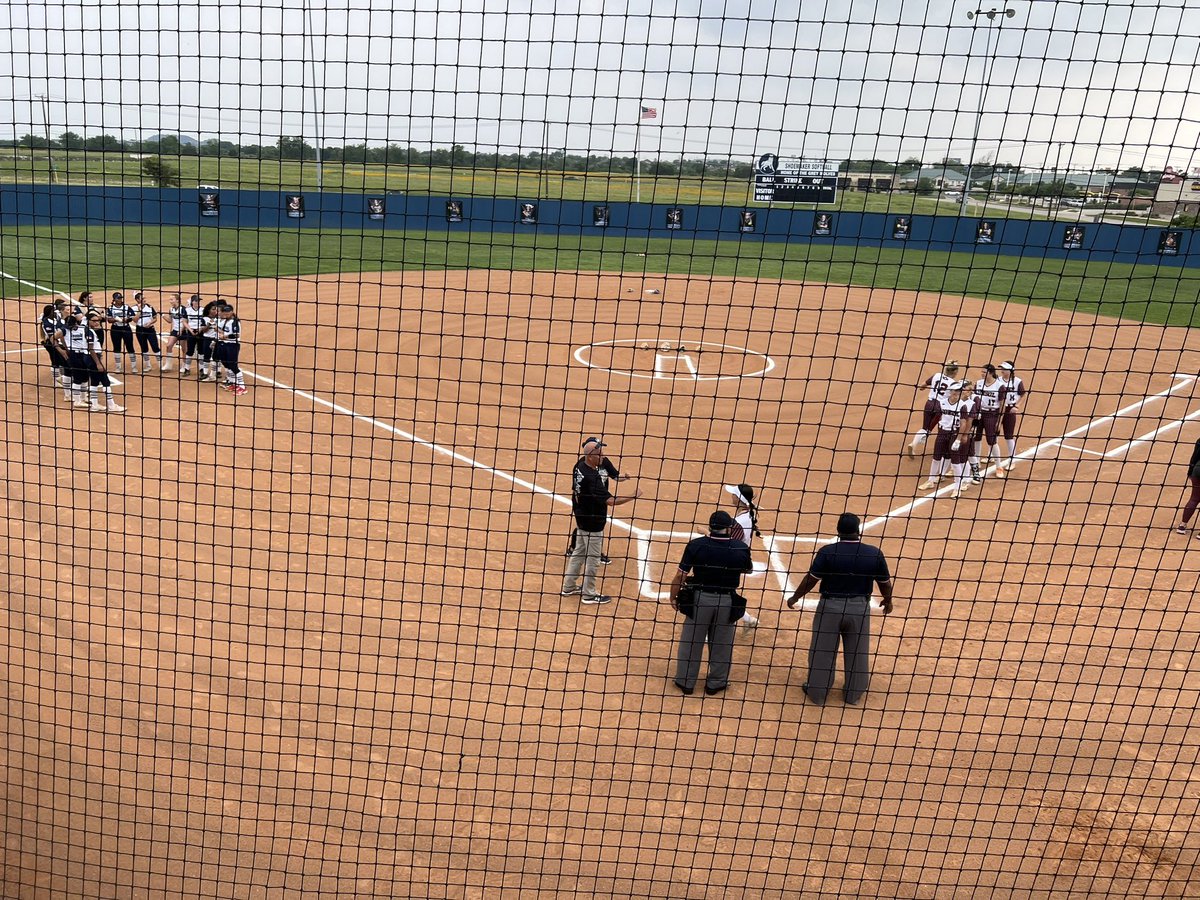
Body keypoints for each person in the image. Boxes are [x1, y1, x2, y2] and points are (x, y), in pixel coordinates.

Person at [785, 513, 894, 706]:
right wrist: (888, 600)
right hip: (859, 609)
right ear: (858, 530)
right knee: (858, 651)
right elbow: (884, 582)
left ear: (838, 531)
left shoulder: (828, 552)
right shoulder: (873, 553)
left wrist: (795, 597)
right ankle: (853, 694)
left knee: (822, 650)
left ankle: (818, 693)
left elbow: (811, 579)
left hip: (830, 608)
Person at [667, 510, 753, 696]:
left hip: (700, 600)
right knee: (722, 644)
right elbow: (747, 569)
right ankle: (716, 683)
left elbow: (681, 575)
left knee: (691, 642)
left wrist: (673, 596)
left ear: (710, 527)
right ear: (729, 527)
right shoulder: (740, 548)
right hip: (727, 602)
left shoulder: (696, 545)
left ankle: (686, 681)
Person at [560, 437, 642, 605]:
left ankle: (568, 586)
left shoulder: (580, 465)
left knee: (578, 553)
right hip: (593, 522)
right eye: (599, 454)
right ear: (590, 456)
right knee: (593, 559)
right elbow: (611, 501)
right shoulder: (592, 478)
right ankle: (589, 594)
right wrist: (633, 495)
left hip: (581, 518)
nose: (603, 457)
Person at [565, 436, 632, 564]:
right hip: (584, 502)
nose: (602, 453)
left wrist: (625, 477)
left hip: (599, 500)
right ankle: (576, 549)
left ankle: (592, 551)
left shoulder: (604, 461)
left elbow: (616, 476)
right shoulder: (581, 466)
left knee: (596, 526)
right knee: (583, 525)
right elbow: (576, 488)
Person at [54, 312, 124, 412]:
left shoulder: (85, 330)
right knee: (104, 381)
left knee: (93, 381)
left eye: (97, 321)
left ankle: (93, 403)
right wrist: (98, 363)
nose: (97, 323)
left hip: (86, 357)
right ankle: (111, 405)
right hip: (90, 358)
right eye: (94, 321)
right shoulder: (87, 332)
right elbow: (91, 349)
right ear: (88, 322)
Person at [919, 380, 976, 498]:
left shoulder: (962, 405)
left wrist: (959, 439)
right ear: (950, 392)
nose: (957, 395)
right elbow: (937, 417)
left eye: (959, 392)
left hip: (954, 434)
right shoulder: (942, 403)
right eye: (955, 392)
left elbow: (963, 423)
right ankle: (930, 481)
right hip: (942, 432)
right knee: (936, 458)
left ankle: (957, 487)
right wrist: (928, 431)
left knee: (955, 461)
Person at [724, 483, 765, 634]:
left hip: (732, 561)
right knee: (727, 593)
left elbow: (725, 542)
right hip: (740, 558)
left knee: (722, 594)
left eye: (734, 494)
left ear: (738, 498)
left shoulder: (740, 522)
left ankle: (714, 630)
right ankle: (749, 620)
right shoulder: (748, 514)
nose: (732, 496)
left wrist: (706, 533)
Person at [907, 360, 961, 457]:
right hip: (939, 407)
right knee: (932, 429)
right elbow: (954, 396)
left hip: (929, 403)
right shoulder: (954, 383)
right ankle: (919, 442)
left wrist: (925, 388)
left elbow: (922, 386)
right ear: (955, 372)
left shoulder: (937, 375)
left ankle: (915, 443)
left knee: (925, 427)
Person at [971, 364, 1008, 481]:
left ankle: (998, 466)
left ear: (991, 373)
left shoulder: (999, 386)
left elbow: (1002, 405)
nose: (982, 374)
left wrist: (999, 421)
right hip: (979, 413)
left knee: (991, 440)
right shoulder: (979, 383)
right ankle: (976, 462)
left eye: (984, 372)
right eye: (981, 372)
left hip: (992, 414)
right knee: (976, 437)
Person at [997, 361, 1027, 473]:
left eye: (1004, 368)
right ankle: (992, 455)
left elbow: (1023, 394)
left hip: (1010, 410)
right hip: (999, 409)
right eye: (1002, 368)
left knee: (1008, 436)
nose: (1002, 370)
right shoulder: (998, 380)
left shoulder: (1017, 381)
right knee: (994, 432)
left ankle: (1012, 460)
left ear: (1010, 370)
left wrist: (1017, 406)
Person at [213, 303, 247, 395]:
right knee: (226, 364)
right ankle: (233, 383)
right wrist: (216, 329)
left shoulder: (235, 321)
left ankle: (242, 386)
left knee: (233, 366)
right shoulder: (225, 321)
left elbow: (236, 335)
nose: (226, 314)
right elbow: (224, 331)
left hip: (233, 345)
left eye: (228, 312)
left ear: (232, 312)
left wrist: (225, 337)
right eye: (225, 312)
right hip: (224, 345)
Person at [38, 300, 68, 388]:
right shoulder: (46, 323)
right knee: (57, 361)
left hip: (57, 342)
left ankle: (58, 379)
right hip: (51, 344)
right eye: (53, 312)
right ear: (49, 313)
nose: (55, 313)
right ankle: (57, 380)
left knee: (56, 361)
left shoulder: (54, 319)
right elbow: (52, 338)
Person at [132, 291, 164, 373]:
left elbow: (155, 318)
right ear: (137, 300)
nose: (144, 299)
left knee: (155, 347)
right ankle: (148, 365)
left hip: (150, 329)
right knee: (144, 348)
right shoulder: (134, 308)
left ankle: (161, 366)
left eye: (144, 298)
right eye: (142, 298)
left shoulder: (149, 307)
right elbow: (135, 320)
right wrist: (139, 310)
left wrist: (150, 323)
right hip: (140, 330)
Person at [107, 291, 138, 374]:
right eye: (118, 298)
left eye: (120, 298)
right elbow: (109, 320)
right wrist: (116, 319)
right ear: (114, 299)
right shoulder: (110, 308)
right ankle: (118, 367)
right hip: (115, 329)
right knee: (116, 347)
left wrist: (126, 320)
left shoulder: (126, 307)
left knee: (130, 346)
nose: (120, 300)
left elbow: (132, 317)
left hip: (126, 328)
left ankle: (134, 367)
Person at [1177, 437, 1200, 535]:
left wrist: (1190, 472)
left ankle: (1182, 526)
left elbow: (1195, 456)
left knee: (1194, 499)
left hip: (1197, 470)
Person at [160, 294, 183, 371]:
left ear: (177, 300)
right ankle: (168, 365)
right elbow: (170, 320)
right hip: (175, 330)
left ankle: (184, 366)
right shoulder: (171, 309)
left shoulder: (183, 309)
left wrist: (182, 329)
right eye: (170, 299)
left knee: (184, 349)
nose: (170, 301)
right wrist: (162, 315)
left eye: (172, 299)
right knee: (169, 346)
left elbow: (187, 321)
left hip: (183, 331)